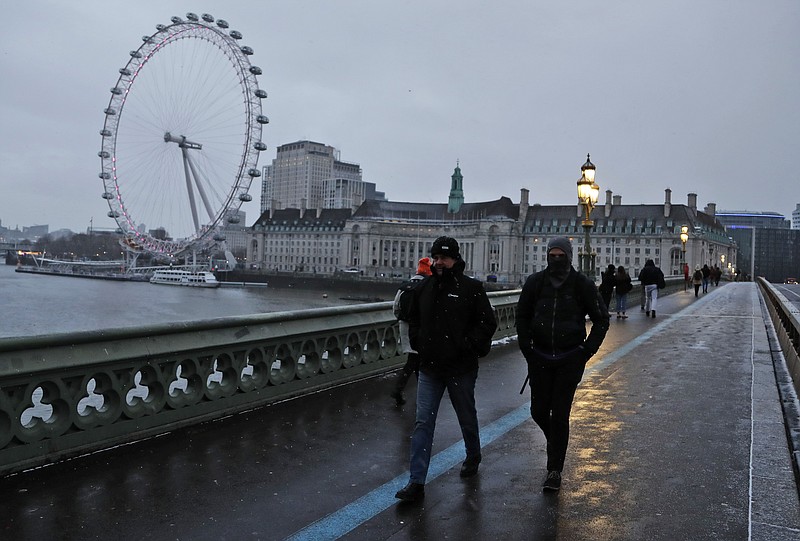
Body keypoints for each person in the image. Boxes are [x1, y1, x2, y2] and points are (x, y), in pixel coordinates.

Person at [394, 236, 498, 503]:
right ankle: (416, 482)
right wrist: (419, 343)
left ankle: (473, 454)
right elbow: (413, 319)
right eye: (436, 258)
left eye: (444, 258)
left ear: (455, 259)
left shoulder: (471, 288)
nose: (439, 262)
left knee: (465, 414)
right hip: (430, 367)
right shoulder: (425, 288)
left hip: (460, 368)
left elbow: (487, 322)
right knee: (423, 423)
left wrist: (467, 346)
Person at [515, 237, 610, 492]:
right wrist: (527, 347)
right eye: (552, 255)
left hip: (569, 359)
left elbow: (602, 320)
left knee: (559, 414)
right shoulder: (535, 283)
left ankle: (554, 470)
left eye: (561, 255)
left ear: (569, 256)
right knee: (537, 411)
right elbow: (522, 316)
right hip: (540, 358)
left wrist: (586, 351)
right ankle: (556, 442)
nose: (556, 259)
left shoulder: (582, 285)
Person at [390, 257, 432, 406]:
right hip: (421, 329)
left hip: (406, 328)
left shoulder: (405, 286)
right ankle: (401, 390)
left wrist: (403, 320)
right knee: (417, 360)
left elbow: (395, 308)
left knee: (414, 359)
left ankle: (404, 390)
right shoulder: (428, 286)